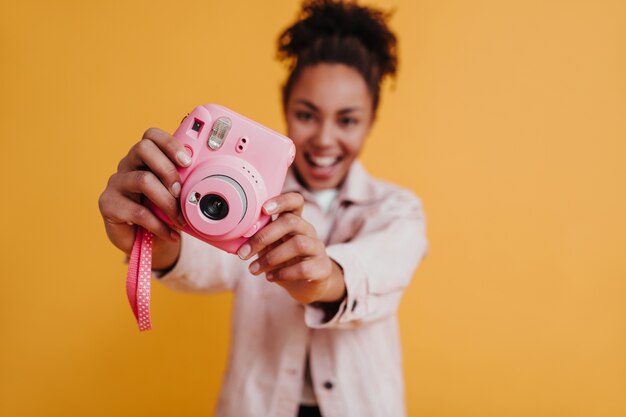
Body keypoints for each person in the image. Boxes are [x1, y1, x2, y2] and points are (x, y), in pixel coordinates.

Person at [98, 0, 427, 416]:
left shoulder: (398, 210)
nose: (325, 139)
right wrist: (149, 235)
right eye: (307, 115)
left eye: (347, 120)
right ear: (286, 107)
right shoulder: (243, 201)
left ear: (371, 120)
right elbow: (202, 260)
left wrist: (323, 278)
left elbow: (379, 270)